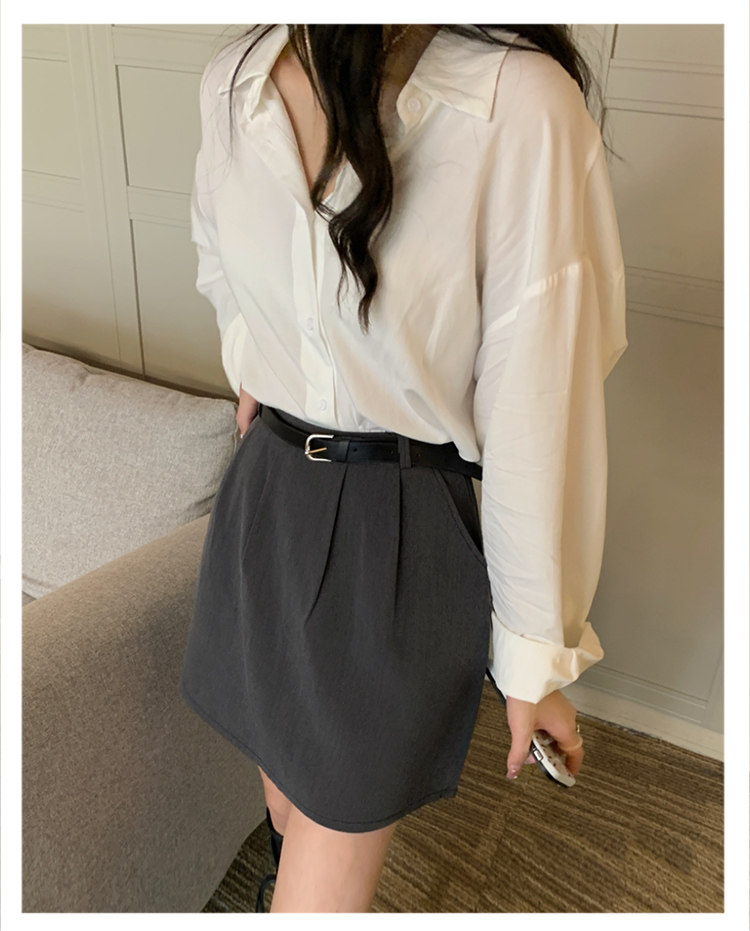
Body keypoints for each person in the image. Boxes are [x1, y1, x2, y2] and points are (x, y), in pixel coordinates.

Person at [179, 24, 628, 913]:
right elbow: (217, 259)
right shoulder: (234, 78)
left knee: (332, 839)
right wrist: (258, 364)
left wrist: (533, 658)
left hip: (394, 522)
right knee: (285, 794)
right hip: (266, 492)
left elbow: (540, 407)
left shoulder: (517, 104)